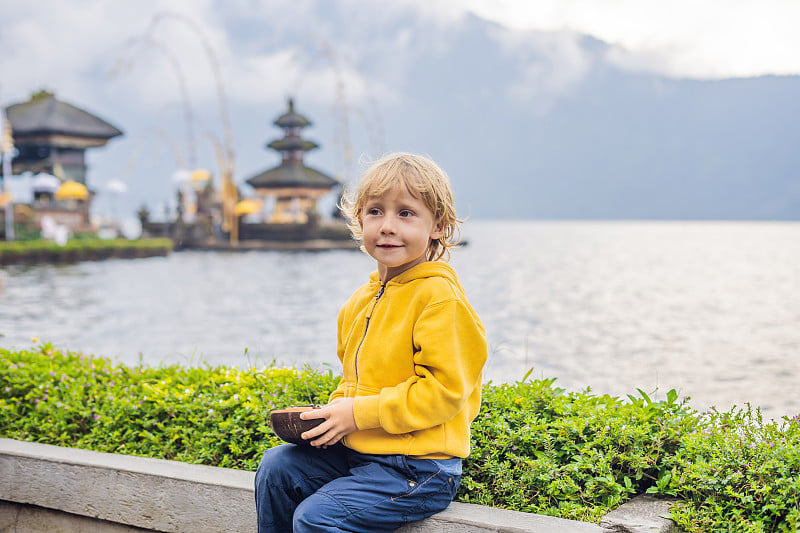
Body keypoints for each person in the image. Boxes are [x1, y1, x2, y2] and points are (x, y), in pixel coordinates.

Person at [254, 152, 487, 532]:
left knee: (316, 519)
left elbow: (443, 393)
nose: (387, 226)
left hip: (420, 467)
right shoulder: (359, 301)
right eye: (375, 211)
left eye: (406, 214)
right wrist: (332, 417)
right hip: (361, 453)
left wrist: (356, 414)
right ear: (358, 220)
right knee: (277, 469)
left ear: (439, 227)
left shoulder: (440, 299)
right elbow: (353, 382)